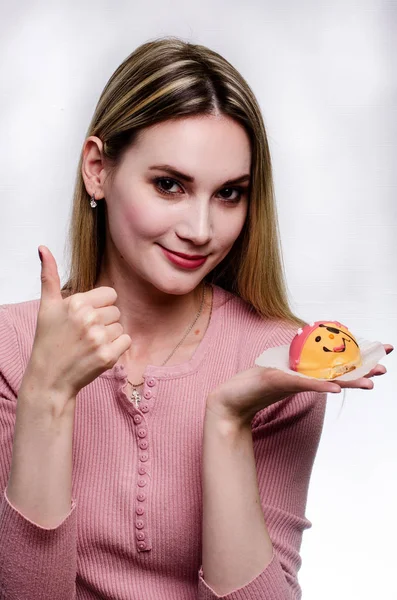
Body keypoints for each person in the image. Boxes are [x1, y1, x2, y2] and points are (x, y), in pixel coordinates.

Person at [0, 36, 392, 600]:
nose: (202, 230)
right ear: (97, 170)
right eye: (169, 185)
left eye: (230, 194)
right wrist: (47, 396)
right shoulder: (14, 349)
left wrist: (229, 421)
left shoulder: (277, 364)